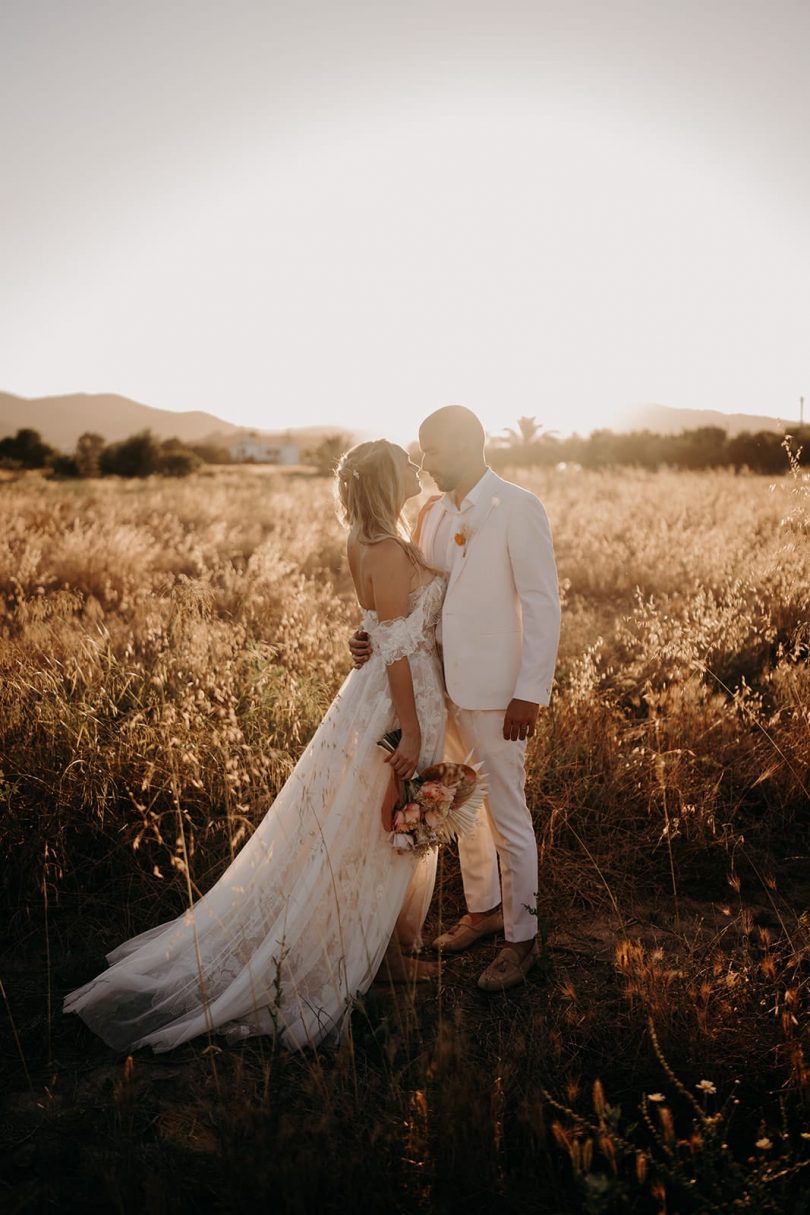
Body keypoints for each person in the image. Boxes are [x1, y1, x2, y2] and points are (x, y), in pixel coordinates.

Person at [64, 440, 446, 1053]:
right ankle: (385, 958)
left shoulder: (361, 541)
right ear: (384, 482)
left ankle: (389, 948)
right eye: (405, 466)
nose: (415, 468)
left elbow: (375, 625)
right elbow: (397, 646)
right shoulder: (394, 551)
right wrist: (415, 728)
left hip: (370, 691)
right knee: (389, 822)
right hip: (399, 699)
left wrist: (369, 641)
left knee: (365, 824)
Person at [351, 406, 561, 991]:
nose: (423, 461)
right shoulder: (430, 514)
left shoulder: (518, 507)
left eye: (434, 449)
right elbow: (412, 601)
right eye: (420, 450)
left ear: (471, 442)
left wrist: (530, 693)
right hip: (438, 690)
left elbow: (543, 604)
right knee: (460, 807)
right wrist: (368, 634)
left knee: (507, 815)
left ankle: (523, 939)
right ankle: (483, 911)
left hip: (500, 695)